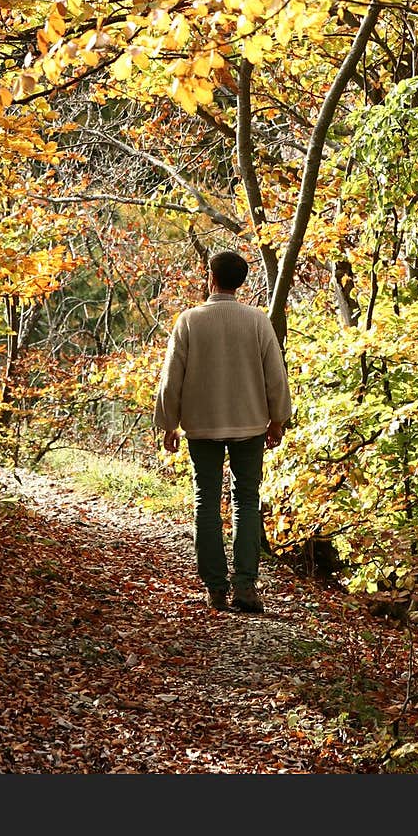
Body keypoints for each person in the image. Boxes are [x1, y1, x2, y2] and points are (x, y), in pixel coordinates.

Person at [153, 249, 292, 614]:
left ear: (210, 277)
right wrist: (277, 418)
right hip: (249, 423)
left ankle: (215, 588)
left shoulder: (189, 321)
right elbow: (275, 374)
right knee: (247, 501)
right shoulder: (257, 320)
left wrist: (169, 423)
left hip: (202, 425)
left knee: (206, 501)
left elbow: (172, 378)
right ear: (240, 281)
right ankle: (245, 585)